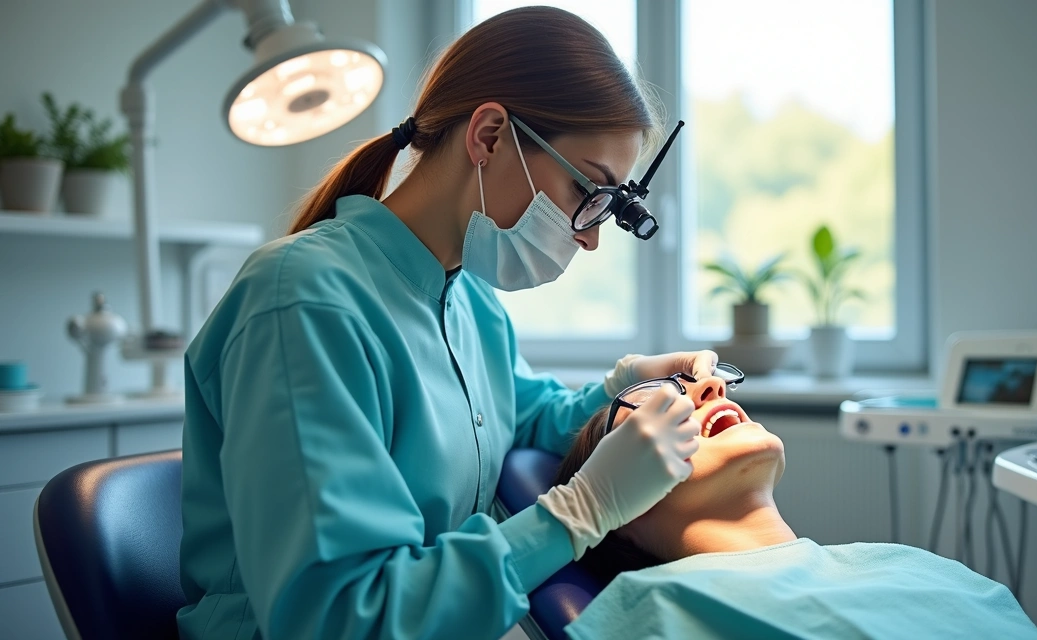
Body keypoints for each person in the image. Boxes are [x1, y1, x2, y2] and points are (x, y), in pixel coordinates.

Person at [176, 7, 715, 639]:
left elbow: (521, 414)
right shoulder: (303, 302)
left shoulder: (471, 302)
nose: (592, 240)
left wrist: (620, 388)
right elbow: (337, 618)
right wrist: (578, 513)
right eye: (585, 196)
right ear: (488, 136)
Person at [553, 371, 1037, 640]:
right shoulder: (649, 611)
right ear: (619, 501)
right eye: (661, 403)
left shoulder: (927, 569)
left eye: (702, 384)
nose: (712, 386)